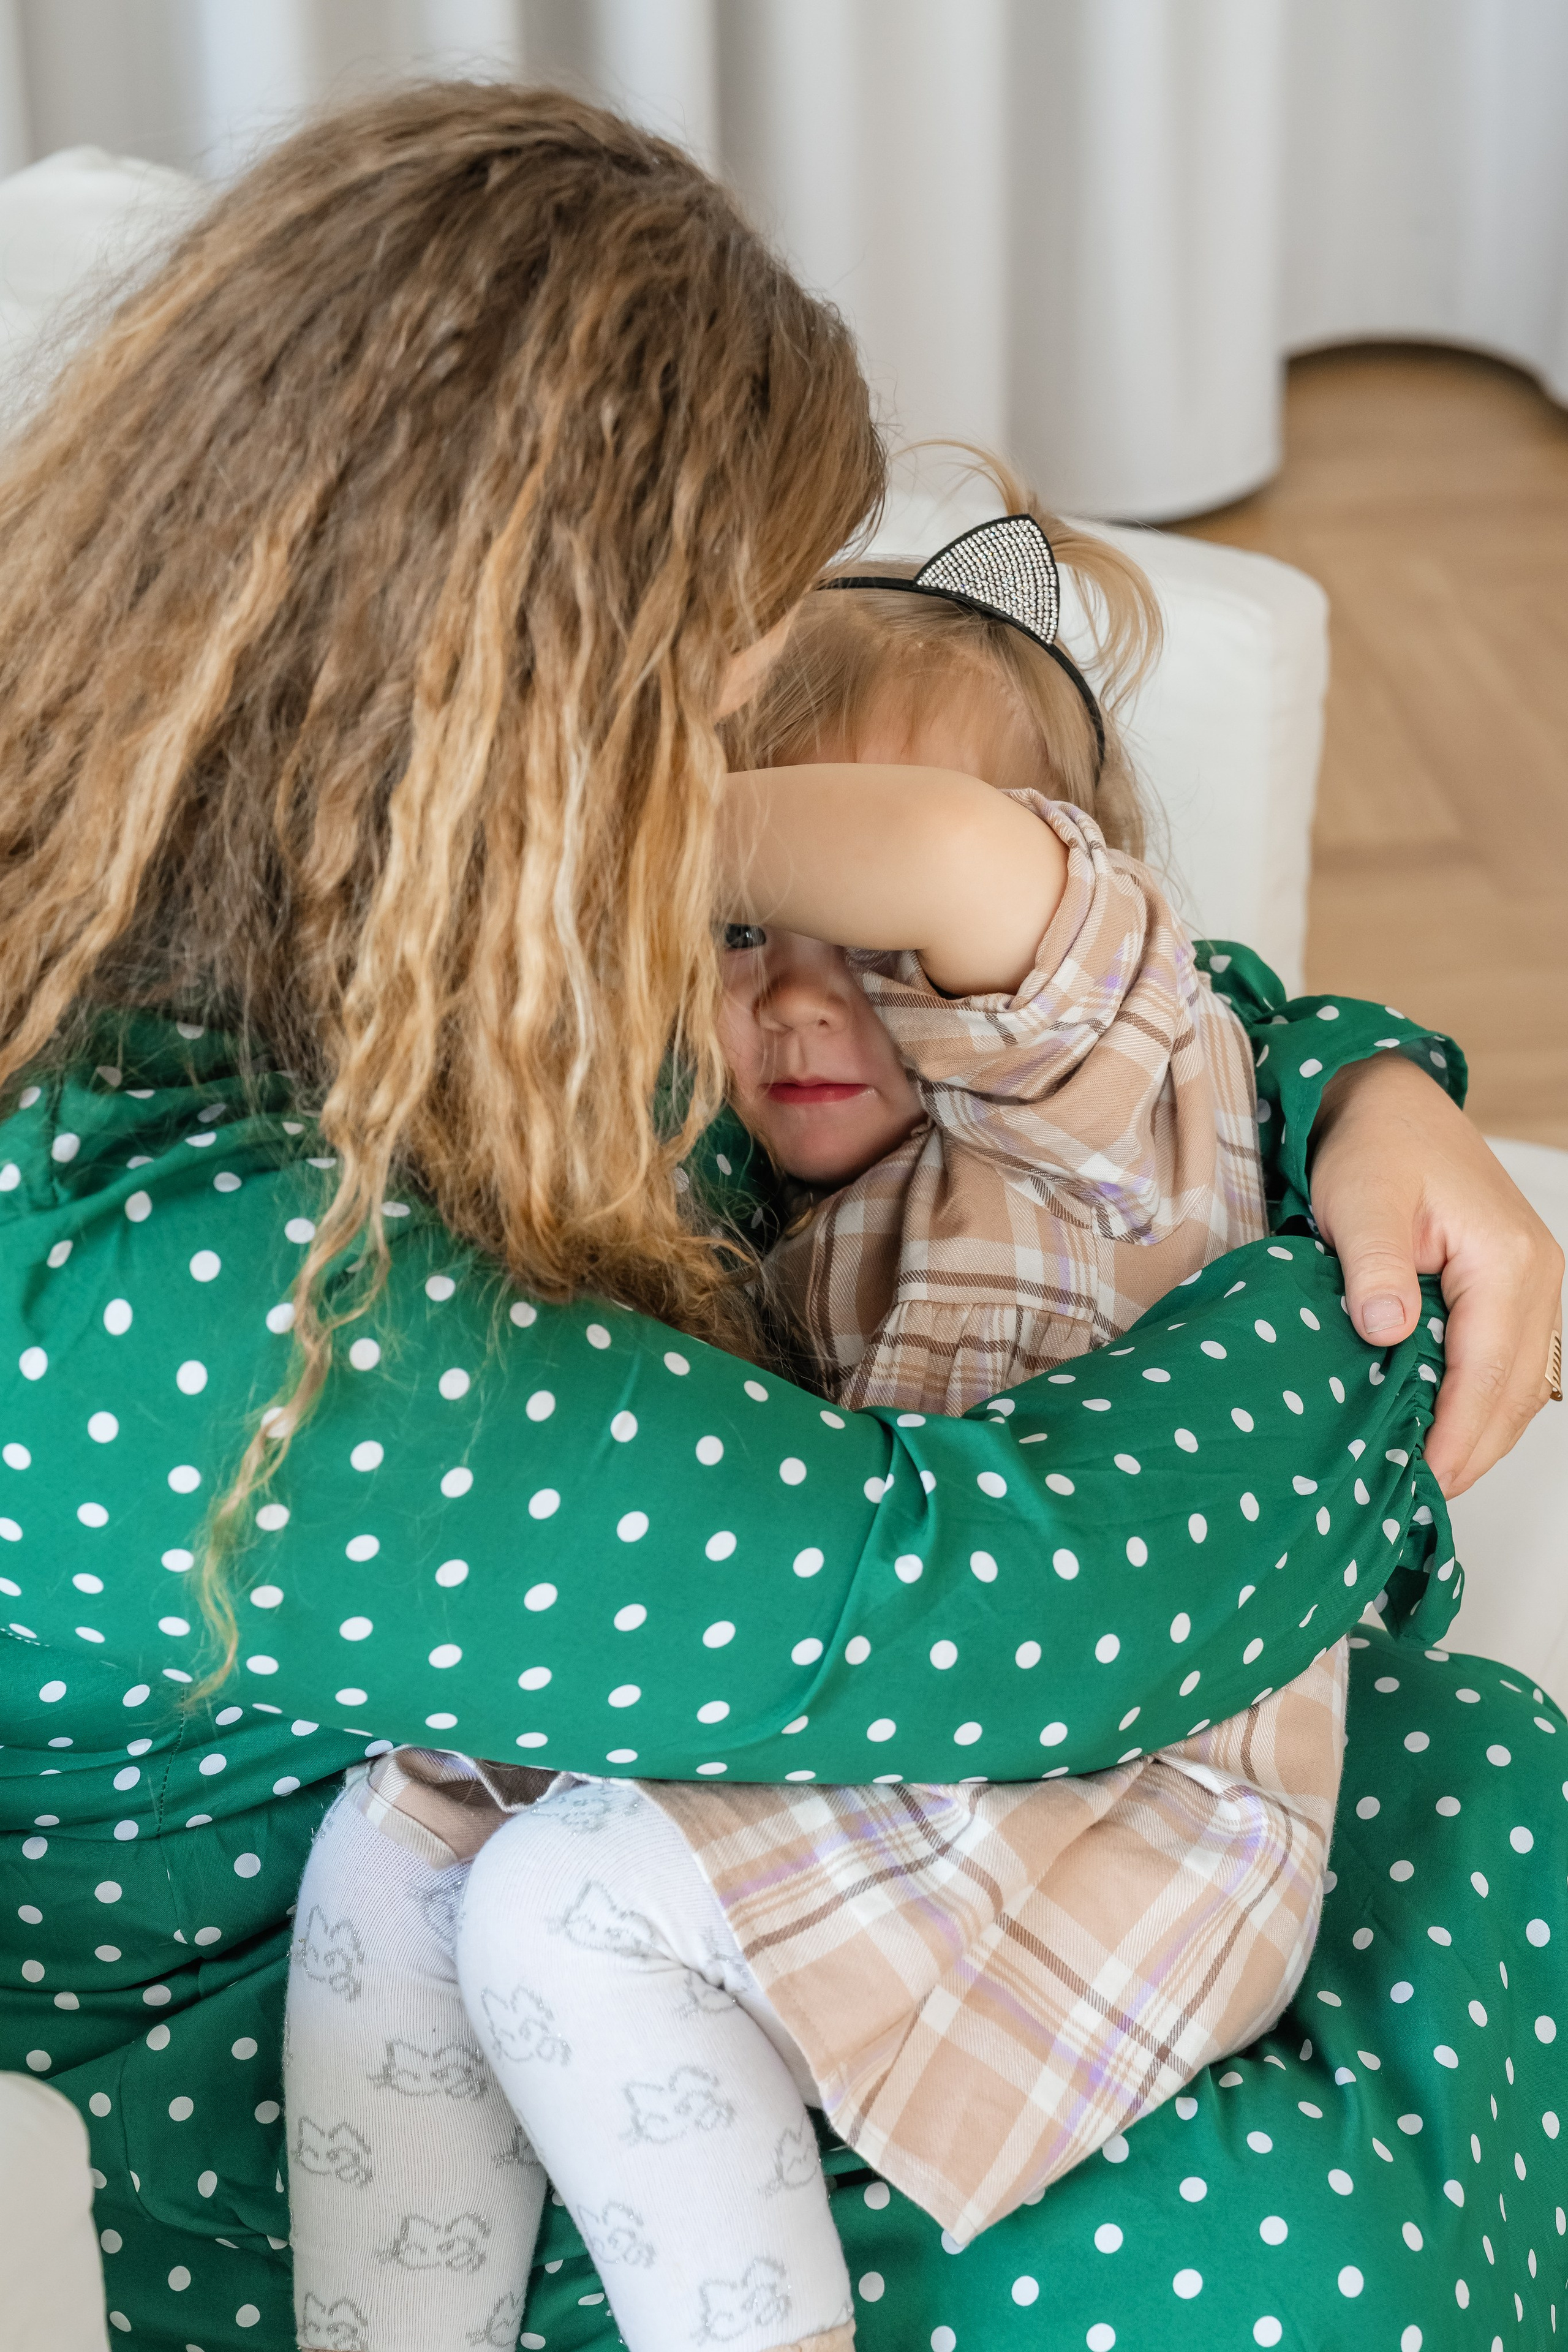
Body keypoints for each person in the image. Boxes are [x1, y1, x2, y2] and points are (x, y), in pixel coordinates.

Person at [0, 80, 1560, 2352]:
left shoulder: (451, 920)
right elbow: (1002, 1608)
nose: (747, 818)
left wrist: (1349, 1081)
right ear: (527, 714)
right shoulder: (207, 1301)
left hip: (722, 1770)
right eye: (715, 732)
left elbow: (1059, 1005)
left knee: (1486, 1782)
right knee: (1308, 2263)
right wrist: (1349, 1294)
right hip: (376, 2073)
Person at [284, 496, 1349, 2352]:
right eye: (740, 937)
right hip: (876, 1738)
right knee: (410, 1817)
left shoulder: (1109, 1102)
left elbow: (954, 855)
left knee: (562, 1900)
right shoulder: (766, 1203)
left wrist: (604, 826)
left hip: (1114, 1805)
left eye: (865, 939)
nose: (793, 998)